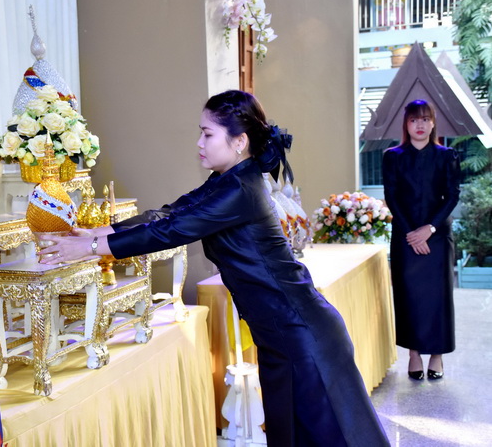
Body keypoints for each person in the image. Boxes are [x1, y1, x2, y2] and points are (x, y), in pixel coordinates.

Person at [40, 90, 389, 446]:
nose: (199, 142)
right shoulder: (226, 181)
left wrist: (92, 249)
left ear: (239, 141)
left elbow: (172, 231)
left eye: (207, 134)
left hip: (303, 335)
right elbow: (168, 214)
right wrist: (101, 232)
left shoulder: (241, 189)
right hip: (282, 334)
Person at [382, 99, 459, 381]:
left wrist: (430, 228)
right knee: (408, 296)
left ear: (433, 123)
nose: (420, 125)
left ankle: (437, 355)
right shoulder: (393, 156)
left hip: (437, 237)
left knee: (438, 297)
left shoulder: (446, 155)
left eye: (425, 119)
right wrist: (411, 234)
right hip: (405, 236)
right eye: (414, 119)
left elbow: (452, 196)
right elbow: (391, 196)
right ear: (406, 124)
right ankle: (414, 353)